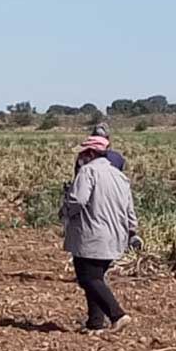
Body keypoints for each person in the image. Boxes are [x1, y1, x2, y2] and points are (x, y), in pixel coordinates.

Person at [62, 136, 139, 334]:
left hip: (92, 234)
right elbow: (130, 208)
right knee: (96, 277)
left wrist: (64, 211)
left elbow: (78, 200)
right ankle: (95, 323)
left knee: (87, 278)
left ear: (91, 153)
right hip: (115, 235)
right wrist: (132, 231)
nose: (79, 157)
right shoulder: (119, 175)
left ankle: (117, 315)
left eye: (83, 153)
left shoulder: (88, 172)